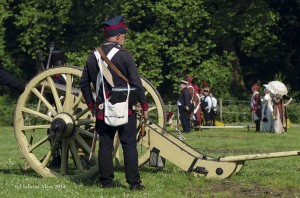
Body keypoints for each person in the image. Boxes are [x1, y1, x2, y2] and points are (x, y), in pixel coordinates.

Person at [79, 16, 148, 190]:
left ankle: (107, 182)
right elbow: (136, 83)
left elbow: (83, 83)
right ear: (117, 36)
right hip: (126, 110)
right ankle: (134, 184)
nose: (124, 38)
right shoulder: (125, 56)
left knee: (105, 146)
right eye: (123, 35)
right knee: (129, 145)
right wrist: (145, 106)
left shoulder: (92, 56)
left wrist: (91, 105)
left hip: (103, 110)